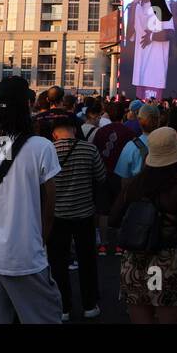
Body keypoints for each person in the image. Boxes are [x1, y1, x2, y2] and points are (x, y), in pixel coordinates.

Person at [0, 76, 63, 324]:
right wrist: (40, 239)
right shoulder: (43, 148)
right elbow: (50, 204)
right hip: (26, 254)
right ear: (26, 107)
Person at [109, 126, 177, 323]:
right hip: (165, 261)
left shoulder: (133, 185)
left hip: (134, 259)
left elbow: (113, 219)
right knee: (168, 313)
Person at [48, 117, 107, 321]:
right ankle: (89, 305)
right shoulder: (89, 149)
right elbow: (101, 176)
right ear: (74, 129)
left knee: (58, 262)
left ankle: (63, 307)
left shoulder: (49, 150)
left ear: (55, 133)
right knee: (87, 259)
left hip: (57, 215)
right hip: (84, 213)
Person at [115, 103, 160, 183]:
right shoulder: (169, 142)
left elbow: (123, 177)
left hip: (139, 193)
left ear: (139, 120)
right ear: (159, 121)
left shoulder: (131, 146)